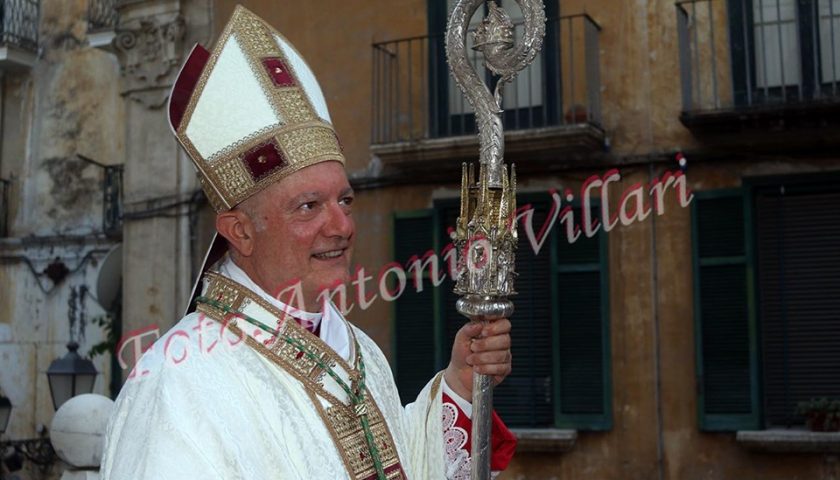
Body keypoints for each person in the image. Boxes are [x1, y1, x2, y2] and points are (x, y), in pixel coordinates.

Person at [101, 6, 516, 479]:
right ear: (239, 231)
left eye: (345, 199)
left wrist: (461, 384)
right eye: (309, 206)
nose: (341, 226)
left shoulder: (359, 351)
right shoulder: (176, 384)